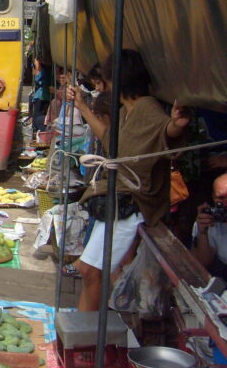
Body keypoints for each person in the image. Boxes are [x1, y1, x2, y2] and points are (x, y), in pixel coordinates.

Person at [66, 49, 190, 311]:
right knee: (88, 270)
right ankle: (81, 331)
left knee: (90, 272)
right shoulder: (126, 111)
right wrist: (82, 107)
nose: (106, 86)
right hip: (118, 200)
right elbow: (111, 142)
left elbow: (167, 131)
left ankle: (85, 337)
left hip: (132, 205)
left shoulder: (148, 109)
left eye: (108, 79)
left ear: (118, 80)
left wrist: (178, 125)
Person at [192, 173, 227, 280]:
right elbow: (201, 264)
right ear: (213, 198)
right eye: (221, 198)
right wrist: (203, 234)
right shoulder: (209, 221)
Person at [30, 58, 52, 136]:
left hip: (42, 98)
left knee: (38, 117)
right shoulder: (47, 71)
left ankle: (38, 133)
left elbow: (37, 77)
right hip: (41, 97)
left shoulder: (46, 72)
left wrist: (37, 66)